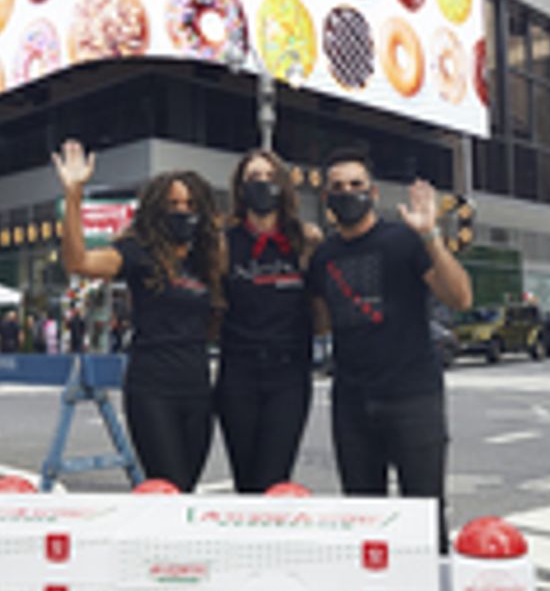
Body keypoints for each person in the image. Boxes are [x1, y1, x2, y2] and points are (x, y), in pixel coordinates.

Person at [306, 148, 472, 550]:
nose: (348, 193)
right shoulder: (323, 256)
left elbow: (460, 297)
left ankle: (432, 589)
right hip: (351, 401)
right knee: (364, 520)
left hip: (412, 397)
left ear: (374, 192)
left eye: (356, 185)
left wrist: (431, 235)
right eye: (338, 187)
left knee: (425, 515)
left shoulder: (405, 241)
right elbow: (320, 323)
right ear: (326, 198)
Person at [54, 139, 221, 492]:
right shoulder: (136, 252)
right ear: (156, 209)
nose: (182, 212)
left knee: (188, 489)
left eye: (190, 205)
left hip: (197, 387)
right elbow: (78, 262)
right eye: (173, 204)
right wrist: (73, 195)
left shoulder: (206, 258)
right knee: (167, 486)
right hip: (152, 387)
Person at [216, 149, 321, 492]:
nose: (262, 184)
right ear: (240, 188)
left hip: (288, 371)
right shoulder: (224, 243)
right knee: (246, 480)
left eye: (270, 177)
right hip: (239, 371)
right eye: (253, 178)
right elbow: (214, 302)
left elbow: (318, 300)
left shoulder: (304, 239)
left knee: (275, 477)